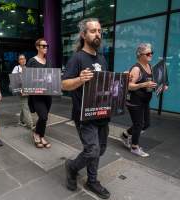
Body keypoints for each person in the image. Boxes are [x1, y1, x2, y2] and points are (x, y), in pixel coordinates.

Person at [62, 18, 110, 199]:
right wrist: (79, 79)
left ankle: (91, 180)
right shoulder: (77, 58)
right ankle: (72, 167)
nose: (97, 34)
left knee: (101, 149)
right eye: (93, 31)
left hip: (102, 112)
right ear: (83, 35)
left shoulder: (102, 59)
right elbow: (64, 84)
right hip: (84, 114)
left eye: (99, 31)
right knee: (92, 150)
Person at [121, 43, 168, 157]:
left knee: (146, 124)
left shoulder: (150, 67)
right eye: (148, 53)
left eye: (151, 52)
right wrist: (143, 84)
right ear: (140, 55)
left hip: (145, 100)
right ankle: (134, 147)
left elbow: (153, 83)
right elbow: (129, 86)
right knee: (139, 124)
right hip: (134, 101)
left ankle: (125, 135)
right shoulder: (137, 68)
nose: (151, 55)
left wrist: (161, 86)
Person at [27, 38, 52, 149]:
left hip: (48, 94)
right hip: (37, 95)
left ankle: (41, 135)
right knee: (43, 116)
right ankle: (36, 134)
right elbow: (28, 78)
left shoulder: (49, 61)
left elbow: (51, 77)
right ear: (37, 47)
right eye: (43, 46)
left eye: (47, 46)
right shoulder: (32, 61)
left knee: (45, 117)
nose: (46, 48)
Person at [12, 54, 34, 130]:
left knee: (24, 106)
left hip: (28, 90)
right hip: (21, 91)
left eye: (24, 58)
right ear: (19, 61)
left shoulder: (28, 68)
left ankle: (21, 120)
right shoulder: (16, 68)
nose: (23, 60)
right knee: (26, 106)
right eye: (21, 59)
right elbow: (14, 79)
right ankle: (30, 125)